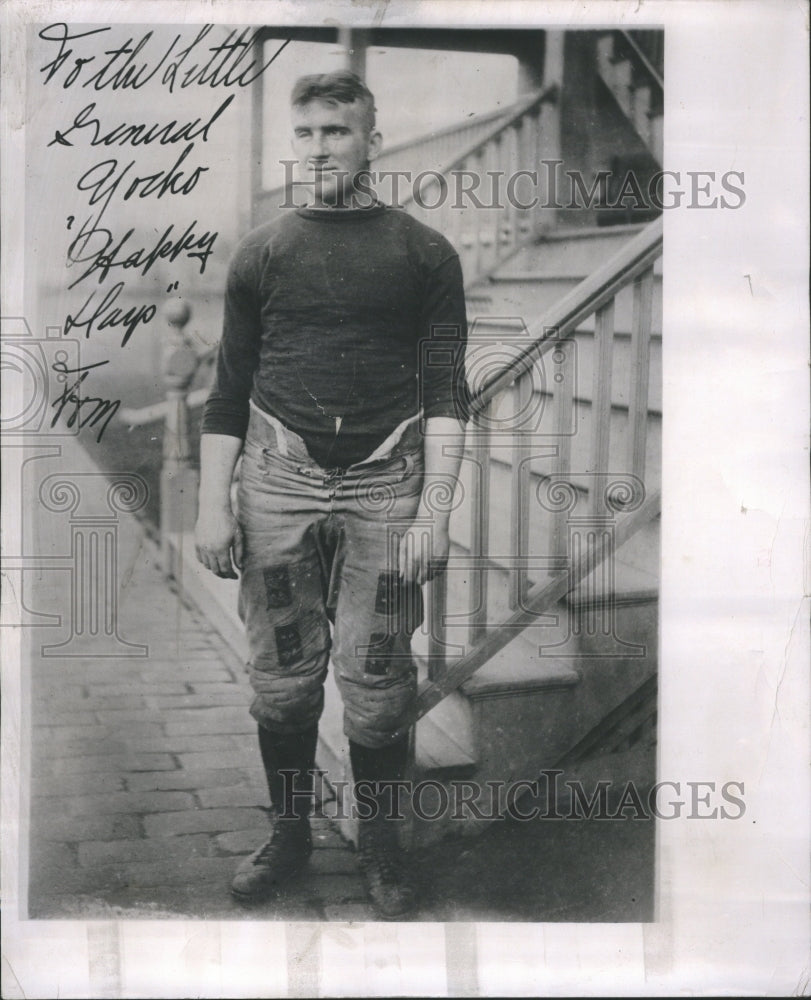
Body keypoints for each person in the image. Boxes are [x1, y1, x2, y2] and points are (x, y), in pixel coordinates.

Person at [195, 70, 467, 919]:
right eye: (306, 132)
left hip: (386, 488)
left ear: (371, 142)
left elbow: (447, 391)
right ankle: (290, 834)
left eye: (337, 132)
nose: (320, 148)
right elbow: (228, 389)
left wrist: (435, 506)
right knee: (281, 676)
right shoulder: (263, 250)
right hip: (276, 487)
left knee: (379, 676)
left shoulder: (424, 252)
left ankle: (382, 848)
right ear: (294, 142)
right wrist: (211, 503)